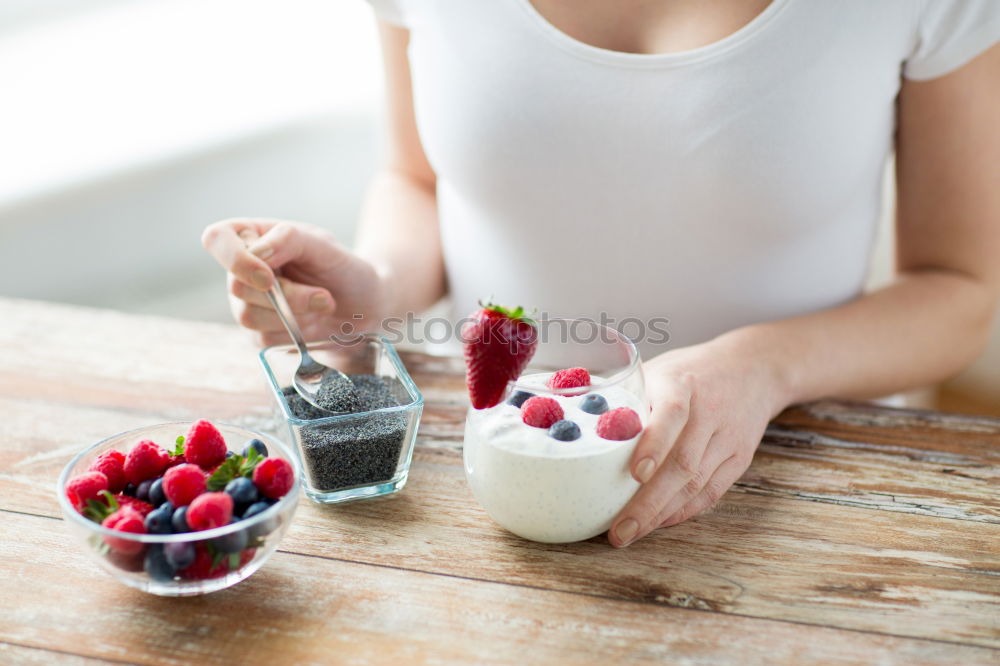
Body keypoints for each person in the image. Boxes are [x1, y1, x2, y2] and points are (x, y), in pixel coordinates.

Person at [203, 0, 1000, 548]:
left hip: (810, 492)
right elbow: (416, 179)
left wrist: (766, 365)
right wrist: (372, 290)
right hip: (499, 480)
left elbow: (959, 288)